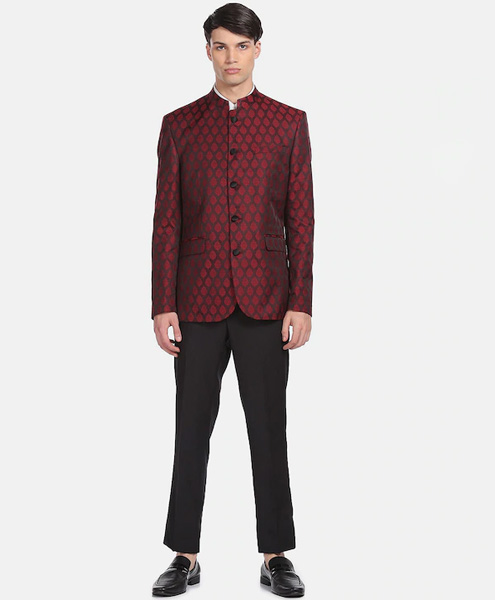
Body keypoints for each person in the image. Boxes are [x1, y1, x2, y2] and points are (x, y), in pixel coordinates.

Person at [150, 3, 314, 597]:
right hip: (195, 300)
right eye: (220, 46)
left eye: (241, 46)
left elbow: (301, 217)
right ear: (208, 51)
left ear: (258, 49)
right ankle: (184, 554)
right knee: (190, 430)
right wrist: (161, 302)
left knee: (269, 430)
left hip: (268, 300)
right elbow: (166, 219)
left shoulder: (288, 123)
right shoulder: (180, 125)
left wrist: (302, 299)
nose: (231, 57)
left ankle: (276, 555)